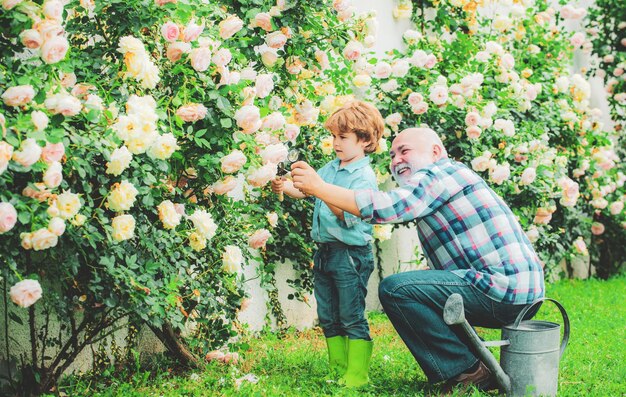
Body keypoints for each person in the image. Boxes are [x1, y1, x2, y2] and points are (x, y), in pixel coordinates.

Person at [290, 127, 545, 393]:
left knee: (396, 289)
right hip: (514, 290)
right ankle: (479, 366)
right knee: (416, 289)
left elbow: (389, 207)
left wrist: (319, 187)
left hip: (502, 289)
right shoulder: (452, 177)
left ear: (435, 152)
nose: (396, 160)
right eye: (392, 155)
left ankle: (468, 370)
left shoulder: (439, 173)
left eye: (405, 151)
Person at [272, 100, 384, 387]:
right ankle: (338, 369)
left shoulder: (363, 176)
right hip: (325, 252)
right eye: (333, 136)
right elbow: (307, 192)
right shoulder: (331, 167)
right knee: (328, 314)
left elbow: (349, 213)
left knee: (350, 314)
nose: (335, 142)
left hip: (350, 254)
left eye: (343, 137)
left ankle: (357, 375)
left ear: (366, 140)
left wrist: (320, 189)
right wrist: (285, 186)